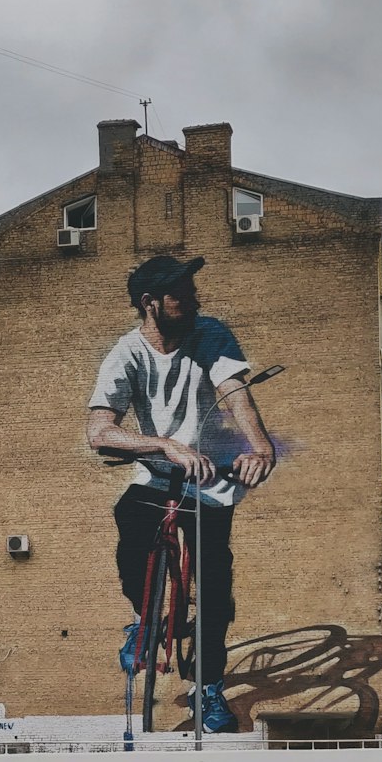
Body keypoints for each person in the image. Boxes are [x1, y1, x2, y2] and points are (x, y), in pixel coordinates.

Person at [86, 254, 275, 734]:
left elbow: (233, 390)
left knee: (214, 590)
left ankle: (209, 686)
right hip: (157, 477)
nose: (194, 301)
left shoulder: (210, 333)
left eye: (193, 293)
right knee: (129, 525)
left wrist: (260, 447)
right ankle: (143, 620)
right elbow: (99, 431)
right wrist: (164, 445)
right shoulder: (126, 354)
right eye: (181, 296)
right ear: (151, 304)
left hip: (213, 481)